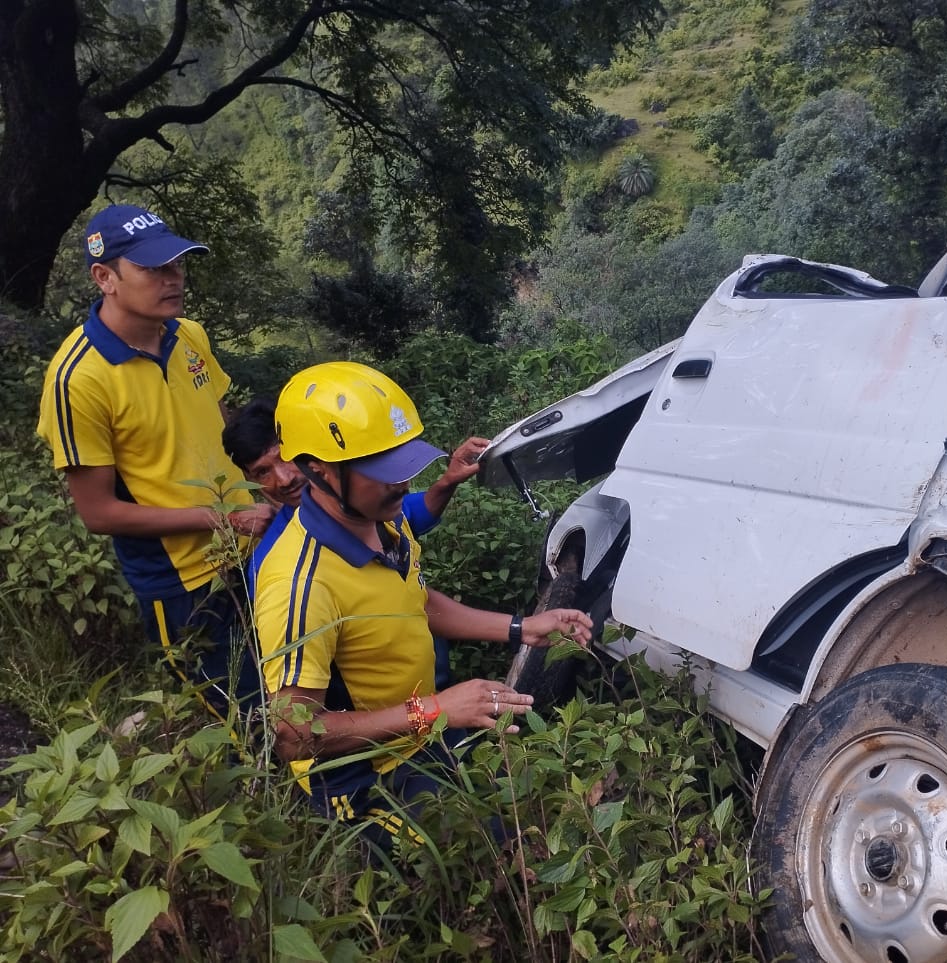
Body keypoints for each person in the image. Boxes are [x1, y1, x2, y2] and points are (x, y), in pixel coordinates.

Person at [253, 361, 591, 844]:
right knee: (496, 848)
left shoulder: (383, 521)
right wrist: (431, 711)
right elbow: (292, 733)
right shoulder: (298, 583)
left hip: (427, 728)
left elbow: (416, 601)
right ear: (318, 469)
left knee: (540, 799)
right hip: (366, 776)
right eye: (381, 469)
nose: (401, 483)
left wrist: (522, 628)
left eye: (403, 463)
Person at [35, 204, 275, 721]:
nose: (173, 279)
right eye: (152, 268)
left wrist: (272, 480)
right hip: (183, 581)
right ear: (106, 278)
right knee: (245, 717)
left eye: (177, 264)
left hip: (255, 544)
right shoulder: (79, 379)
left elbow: (224, 430)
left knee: (292, 686)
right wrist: (223, 519)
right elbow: (99, 514)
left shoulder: (188, 336)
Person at [221, 394, 488, 686]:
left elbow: (412, 514)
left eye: (284, 458)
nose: (284, 479)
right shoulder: (276, 569)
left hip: (428, 674)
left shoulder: (365, 507)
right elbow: (298, 716)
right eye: (262, 472)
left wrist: (448, 481)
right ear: (250, 480)